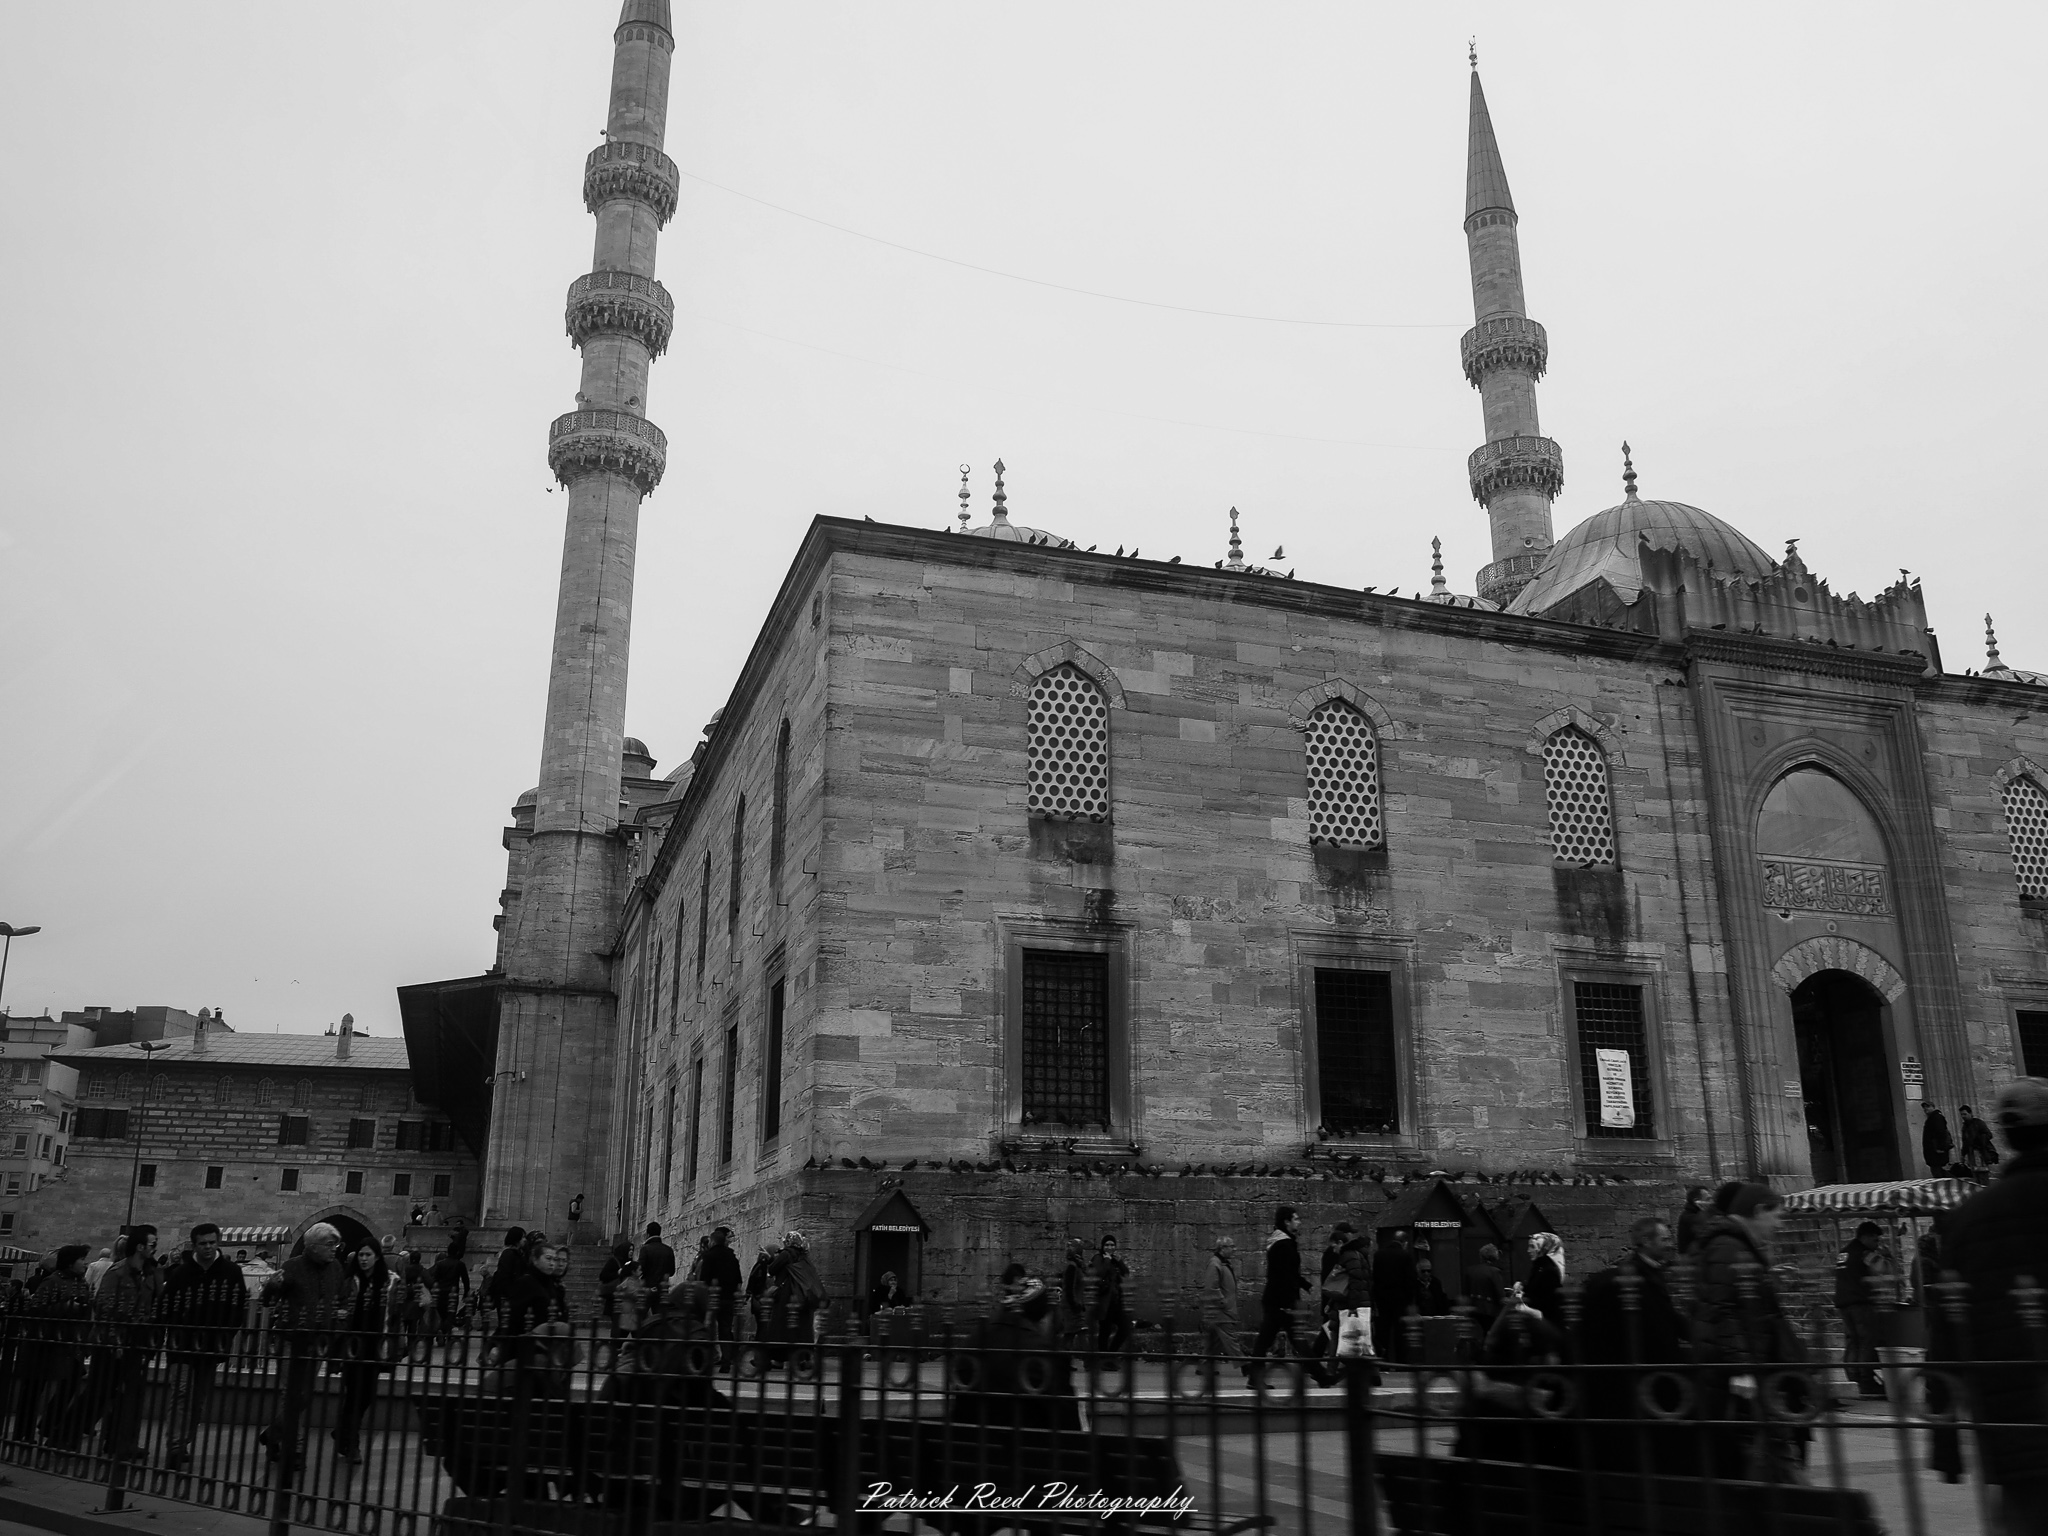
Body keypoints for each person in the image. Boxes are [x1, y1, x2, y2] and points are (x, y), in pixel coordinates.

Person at [1936, 1077, 2048, 1534]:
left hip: (2015, 1424)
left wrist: (1944, 1438)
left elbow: (1946, 1326)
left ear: (2002, 1135)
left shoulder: (1968, 1218)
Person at [1690, 1182, 1808, 1483]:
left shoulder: (1738, 1246)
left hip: (1757, 1373)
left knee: (1773, 1458)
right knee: (1769, 1460)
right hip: (1743, 1378)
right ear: (1758, 1211)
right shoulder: (1728, 1247)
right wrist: (1741, 1368)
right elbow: (1722, 1308)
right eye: (1776, 1216)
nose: (1779, 1224)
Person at [1576, 1216, 1692, 1474]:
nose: (1671, 1244)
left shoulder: (1652, 1273)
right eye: (1664, 1239)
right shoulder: (1632, 1277)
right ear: (1645, 1242)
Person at [159, 1223, 248, 1470]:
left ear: (218, 1242)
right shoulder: (181, 1273)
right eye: (203, 1243)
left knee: (198, 1397)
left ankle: (184, 1440)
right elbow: (167, 1305)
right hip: (183, 1344)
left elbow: (237, 1306)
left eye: (212, 1242)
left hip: (211, 1345)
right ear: (195, 1245)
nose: (208, 1247)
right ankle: (175, 1445)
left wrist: (225, 1335)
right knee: (181, 1392)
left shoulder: (230, 1272)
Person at [260, 1223, 346, 1474]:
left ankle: (273, 1435)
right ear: (313, 1247)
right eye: (330, 1245)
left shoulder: (337, 1268)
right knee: (292, 1395)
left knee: (304, 1396)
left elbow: (341, 1299)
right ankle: (295, 1449)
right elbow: (268, 1300)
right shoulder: (292, 1267)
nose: (334, 1250)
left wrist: (338, 1320)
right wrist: (272, 1285)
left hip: (318, 1341)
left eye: (336, 1245)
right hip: (291, 1339)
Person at [89, 1226, 161, 1461]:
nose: (155, 1247)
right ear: (140, 1247)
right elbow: (104, 1308)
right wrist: (113, 1341)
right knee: (100, 1393)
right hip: (114, 1342)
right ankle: (62, 1432)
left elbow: (154, 1306)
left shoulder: (150, 1273)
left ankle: (123, 1442)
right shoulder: (117, 1272)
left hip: (137, 1341)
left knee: (133, 1394)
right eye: (152, 1244)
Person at [19, 1246, 93, 1447]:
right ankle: (22, 1432)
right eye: (81, 1259)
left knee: (72, 1380)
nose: (84, 1263)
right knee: (34, 1388)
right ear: (70, 1262)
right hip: (47, 1343)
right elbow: (35, 1310)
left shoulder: (82, 1283)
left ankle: (50, 1423)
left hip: (70, 1343)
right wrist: (67, 1306)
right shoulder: (52, 1281)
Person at [333, 1243, 400, 1461]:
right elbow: (338, 1307)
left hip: (375, 1345)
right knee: (354, 1395)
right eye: (360, 1255)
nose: (363, 1259)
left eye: (368, 1255)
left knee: (366, 1396)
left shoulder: (390, 1281)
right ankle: (352, 1444)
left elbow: (397, 1310)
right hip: (353, 1346)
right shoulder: (349, 1281)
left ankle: (343, 1431)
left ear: (377, 1257)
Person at [1252, 1207, 1332, 1386]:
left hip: (1277, 1300)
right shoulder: (1284, 1245)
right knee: (1294, 1340)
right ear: (1286, 1222)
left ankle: (1255, 1378)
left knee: (1272, 1341)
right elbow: (1284, 1276)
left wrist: (1304, 1284)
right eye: (1295, 1219)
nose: (1299, 1221)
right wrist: (1290, 1302)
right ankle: (1321, 1376)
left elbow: (1288, 1272)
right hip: (1281, 1302)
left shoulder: (1282, 1243)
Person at [1833, 1220, 1898, 1399]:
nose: (1877, 1243)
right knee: (1867, 1341)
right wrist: (1887, 1256)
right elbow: (1885, 1269)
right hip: (1860, 1303)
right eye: (1875, 1240)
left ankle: (1855, 1377)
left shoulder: (1844, 1252)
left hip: (1844, 1304)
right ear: (1866, 1237)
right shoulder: (1864, 1253)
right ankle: (1866, 1382)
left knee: (1854, 1341)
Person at [1201, 1235, 1249, 1375]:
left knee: (1216, 1340)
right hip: (1221, 1311)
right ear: (1222, 1248)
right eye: (1231, 1246)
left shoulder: (1222, 1264)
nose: (1234, 1249)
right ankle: (1244, 1364)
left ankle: (1204, 1365)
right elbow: (1211, 1287)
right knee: (1230, 1339)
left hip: (1222, 1309)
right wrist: (1222, 1302)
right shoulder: (1215, 1264)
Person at [1370, 1229, 1416, 1361]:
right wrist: (1410, 1300)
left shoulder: (1379, 1255)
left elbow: (1375, 1278)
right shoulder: (1405, 1256)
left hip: (1382, 1299)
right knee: (1400, 1333)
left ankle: (1383, 1360)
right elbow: (1410, 1280)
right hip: (1401, 1300)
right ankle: (1400, 1362)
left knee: (1382, 1331)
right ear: (1404, 1242)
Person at [700, 1227, 743, 1361]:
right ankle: (727, 1359)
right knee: (726, 1329)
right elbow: (738, 1279)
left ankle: (708, 1357)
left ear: (712, 1241)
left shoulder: (708, 1256)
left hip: (713, 1297)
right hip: (728, 1298)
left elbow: (704, 1279)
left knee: (709, 1328)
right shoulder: (732, 1257)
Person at [1090, 1235, 1131, 1353]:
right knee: (1105, 1330)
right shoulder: (1098, 1258)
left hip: (1116, 1301)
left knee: (1125, 1328)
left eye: (1112, 1245)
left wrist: (1119, 1261)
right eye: (1107, 1245)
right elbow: (1100, 1274)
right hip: (1104, 1301)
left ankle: (1110, 1354)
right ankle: (1104, 1358)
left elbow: (1125, 1273)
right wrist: (1107, 1260)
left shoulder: (1114, 1259)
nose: (1109, 1247)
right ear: (1102, 1246)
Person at [1461, 1243, 1507, 1330]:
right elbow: (1500, 1295)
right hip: (1489, 1312)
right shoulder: (1495, 1272)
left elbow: (1465, 1293)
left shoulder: (1470, 1271)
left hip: (1472, 1311)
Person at [1524, 1233, 1565, 1325]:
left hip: (1546, 1322)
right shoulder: (1539, 1267)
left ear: (1543, 1247)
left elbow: (1548, 1303)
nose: (1528, 1251)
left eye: (1532, 1247)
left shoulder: (1549, 1270)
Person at [638, 1222, 677, 1304]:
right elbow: (672, 1271)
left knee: (642, 1313)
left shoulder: (645, 1249)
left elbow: (640, 1268)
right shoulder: (668, 1250)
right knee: (659, 1314)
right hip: (662, 1289)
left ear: (648, 1234)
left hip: (648, 1288)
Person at [1959, 1104, 2000, 1173]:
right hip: (1971, 1152)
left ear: (1970, 1113)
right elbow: (1965, 1141)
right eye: (1961, 1114)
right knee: (1975, 1172)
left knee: (1982, 1172)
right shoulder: (1965, 1127)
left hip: (1980, 1151)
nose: (1963, 1116)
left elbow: (1988, 1134)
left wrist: (1980, 1141)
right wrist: (1963, 1154)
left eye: (1965, 1114)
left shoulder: (1978, 1123)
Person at [1921, 1102, 1955, 1176]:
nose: (1925, 1108)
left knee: (1939, 1172)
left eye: (1928, 1106)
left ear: (1933, 1107)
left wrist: (1940, 1147)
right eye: (1924, 1107)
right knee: (1938, 1170)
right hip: (1934, 1151)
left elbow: (1941, 1133)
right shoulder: (1932, 1118)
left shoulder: (1936, 1118)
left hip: (1937, 1151)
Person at [1676, 1186, 1709, 1255]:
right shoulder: (1690, 1218)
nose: (1710, 1203)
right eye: (1707, 1199)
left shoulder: (1690, 1215)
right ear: (1697, 1201)